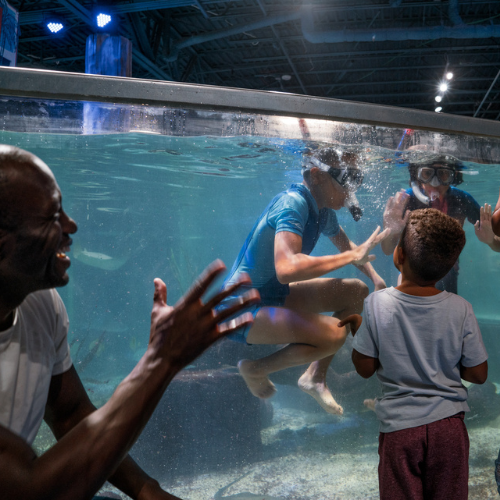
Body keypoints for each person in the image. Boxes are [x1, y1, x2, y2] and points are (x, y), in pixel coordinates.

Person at [0, 145, 259, 500]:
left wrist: (145, 490)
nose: (71, 226)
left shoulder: (42, 305)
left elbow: (71, 414)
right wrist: (161, 360)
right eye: (52, 217)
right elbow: (29, 491)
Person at [222, 147, 390, 415]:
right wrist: (349, 257)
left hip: (272, 295)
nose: (351, 190)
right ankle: (255, 370)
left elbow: (349, 248)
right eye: (348, 179)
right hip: (241, 309)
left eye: (356, 180)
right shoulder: (293, 204)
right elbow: (287, 268)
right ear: (317, 175)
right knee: (335, 335)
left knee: (357, 292)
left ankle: (315, 378)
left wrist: (377, 279)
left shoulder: (322, 212)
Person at [344, 208, 488, 500]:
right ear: (448, 269)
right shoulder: (461, 308)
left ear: (398, 256)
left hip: (400, 431)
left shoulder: (375, 305)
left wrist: (359, 329)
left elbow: (365, 369)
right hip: (449, 429)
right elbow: (478, 374)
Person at [382, 154, 500, 293]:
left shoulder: (462, 200)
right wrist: (392, 231)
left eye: (443, 174)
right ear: (417, 177)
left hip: (447, 269)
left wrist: (490, 240)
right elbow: (387, 250)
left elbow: (498, 245)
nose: (435, 182)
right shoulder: (406, 201)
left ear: (454, 176)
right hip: (411, 271)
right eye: (427, 174)